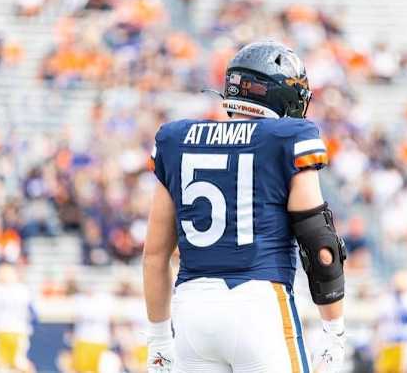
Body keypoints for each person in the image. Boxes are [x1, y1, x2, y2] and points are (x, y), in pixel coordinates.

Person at [143, 41, 347, 372]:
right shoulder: (288, 137)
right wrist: (334, 332)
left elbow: (154, 255)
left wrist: (158, 339)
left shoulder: (175, 140)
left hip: (192, 310)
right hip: (258, 304)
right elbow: (319, 244)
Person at [0, 264, 36, 373]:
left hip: (17, 331)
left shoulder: (22, 290)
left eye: (7, 272)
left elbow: (32, 312)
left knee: (19, 362)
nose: (4, 275)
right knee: (0, 365)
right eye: (1, 272)